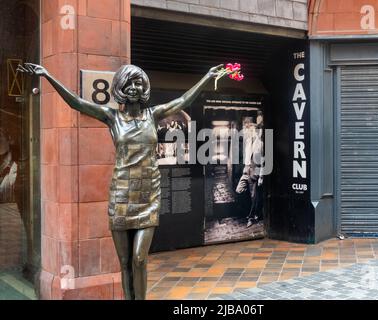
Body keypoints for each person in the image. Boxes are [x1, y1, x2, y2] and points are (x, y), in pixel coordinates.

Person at [17, 62, 230, 300]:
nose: (133, 87)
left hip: (148, 193)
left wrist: (206, 76)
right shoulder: (112, 117)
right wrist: (48, 75)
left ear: (144, 88)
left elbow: (182, 101)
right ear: (120, 88)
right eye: (128, 83)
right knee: (125, 262)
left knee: (139, 258)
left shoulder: (153, 114)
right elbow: (76, 103)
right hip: (121, 195)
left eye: (138, 82)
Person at [236, 123, 264, 228]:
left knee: (254, 197)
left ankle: (251, 217)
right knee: (239, 190)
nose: (249, 133)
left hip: (255, 172)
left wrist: (261, 176)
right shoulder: (248, 142)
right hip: (246, 170)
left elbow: (263, 161)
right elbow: (247, 157)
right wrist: (245, 167)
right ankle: (253, 212)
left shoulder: (261, 144)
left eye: (251, 131)